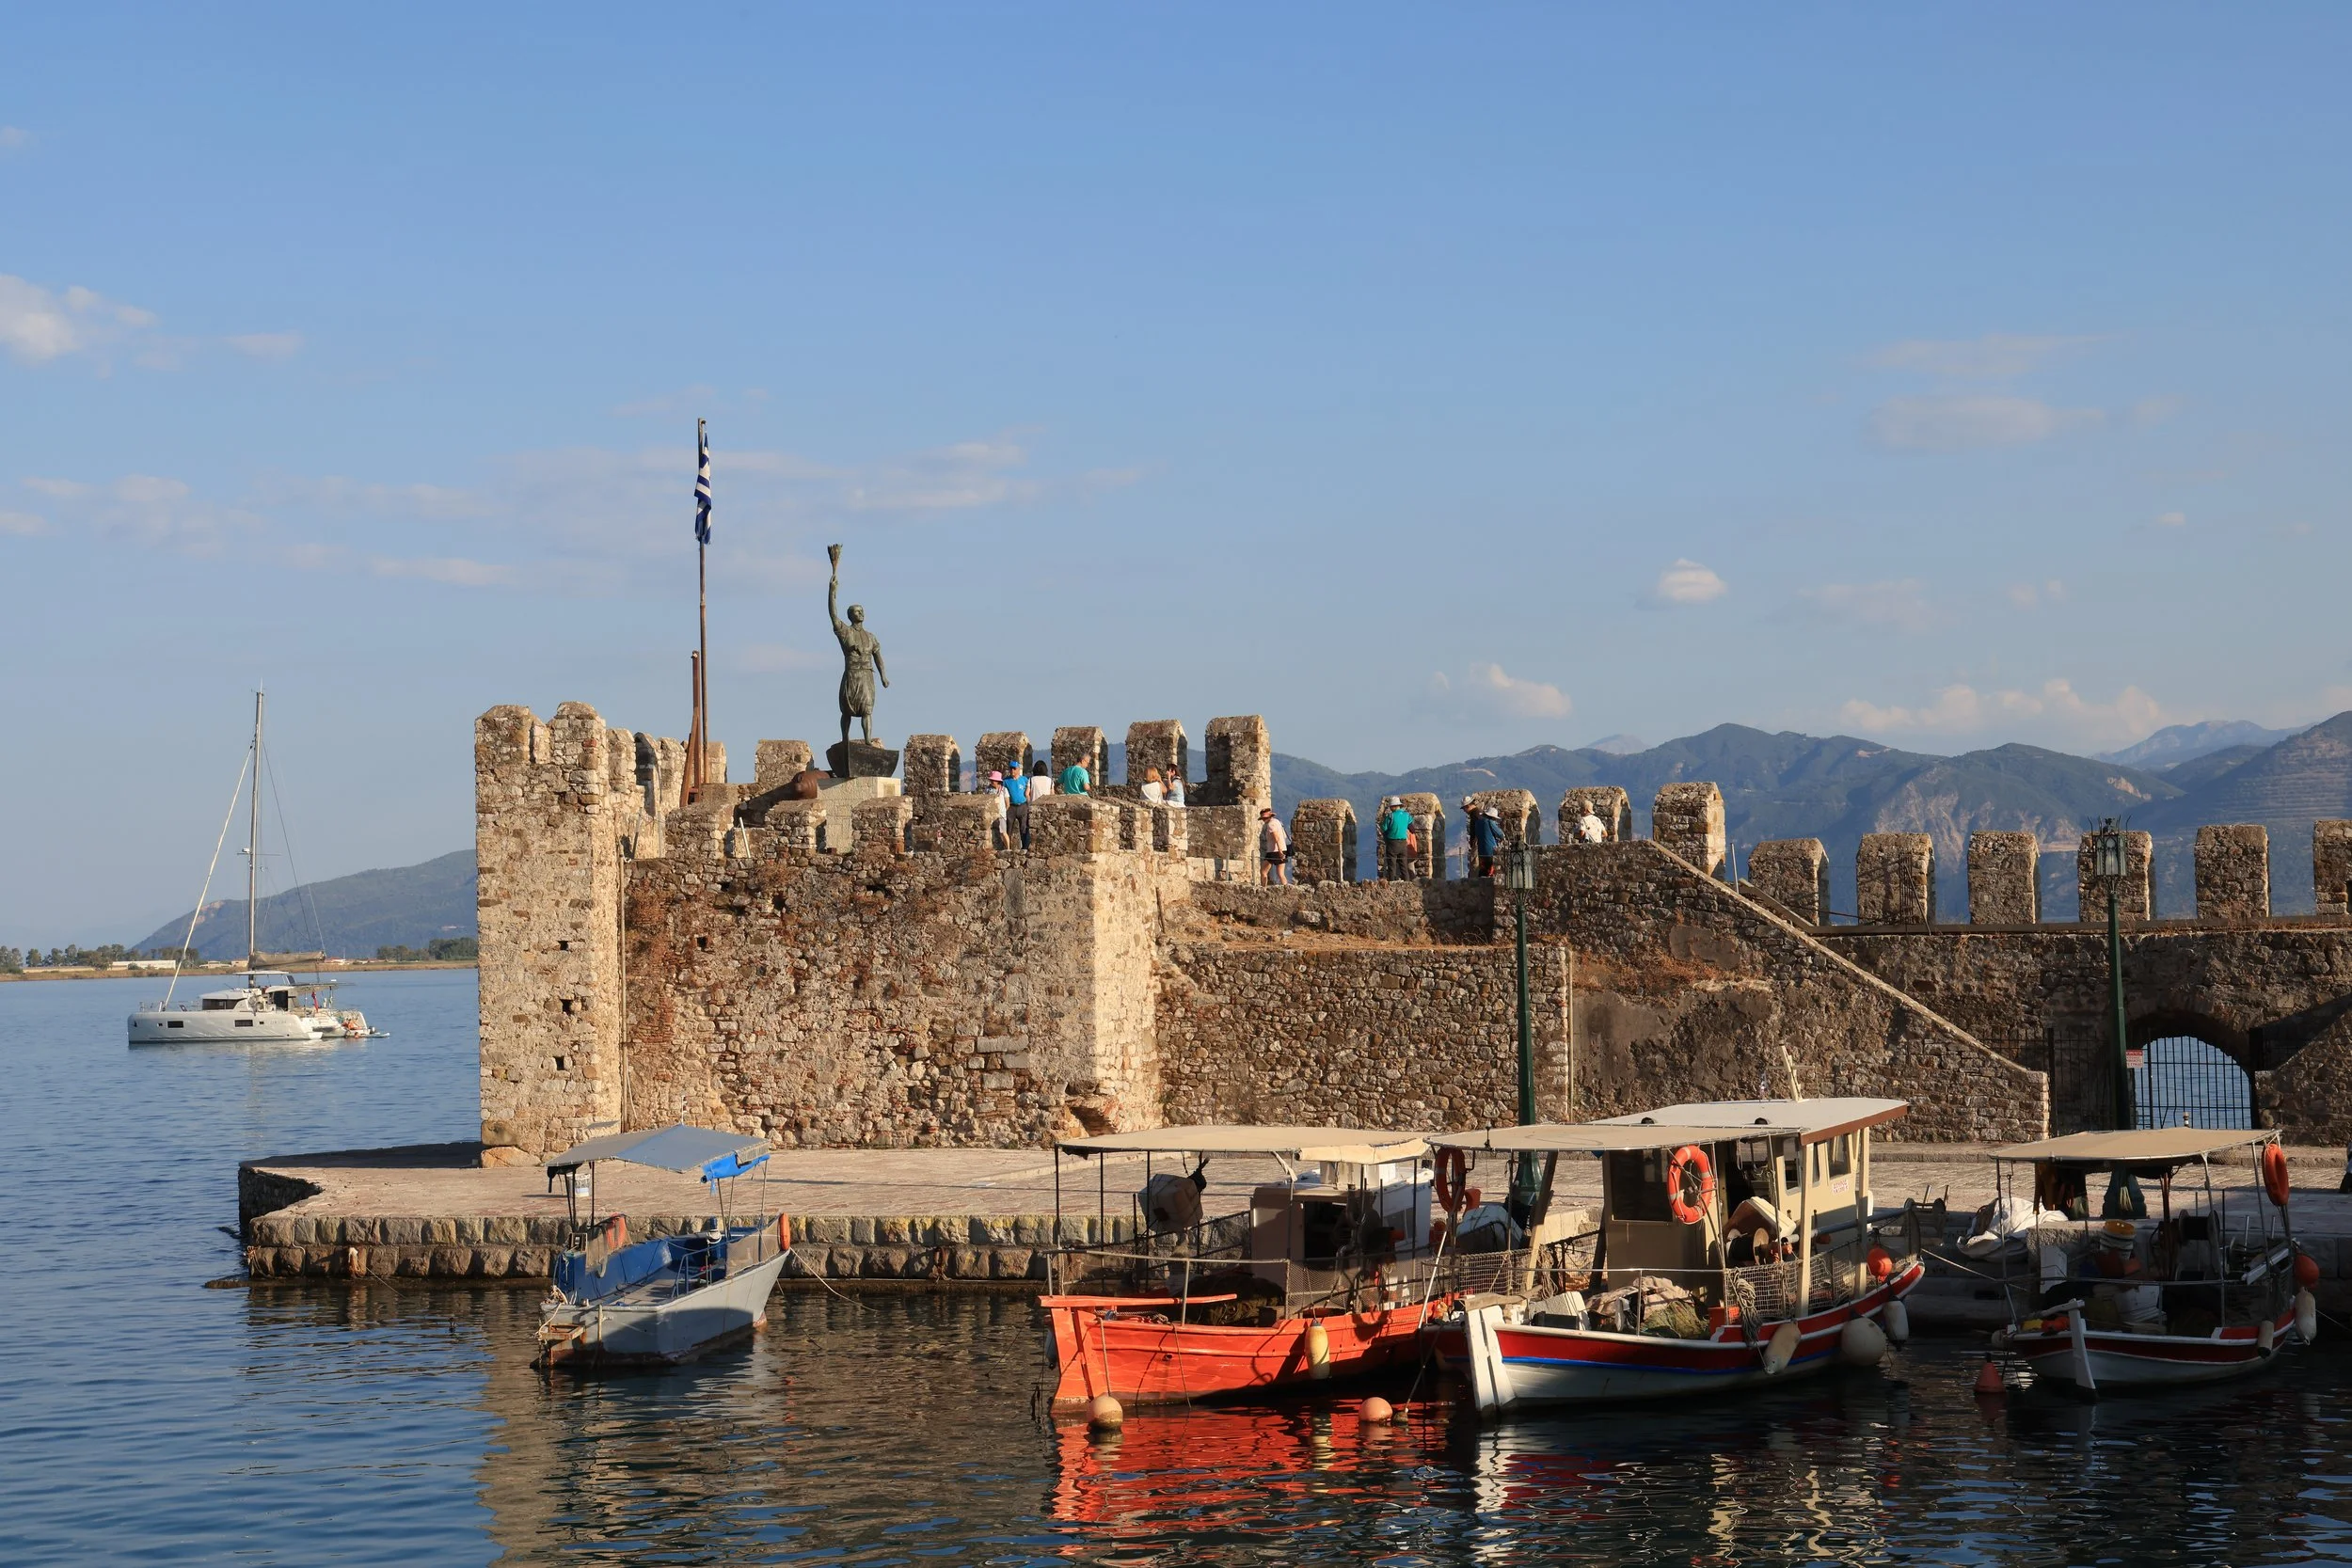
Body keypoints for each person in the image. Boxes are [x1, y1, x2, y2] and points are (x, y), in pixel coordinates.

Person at [1379, 797, 1416, 881]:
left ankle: (1392, 883)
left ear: (1393, 806)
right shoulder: (1407, 816)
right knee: (1404, 866)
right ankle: (1407, 883)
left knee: (1392, 866)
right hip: (1403, 843)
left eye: (1391, 807)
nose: (1390, 809)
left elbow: (1383, 828)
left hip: (1392, 843)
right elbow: (1412, 829)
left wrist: (1387, 836)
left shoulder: (1390, 816)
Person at [1467, 798, 1503, 877]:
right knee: (1491, 870)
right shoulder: (1490, 822)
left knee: (1483, 869)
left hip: (1481, 851)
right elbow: (1500, 834)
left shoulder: (1477, 822)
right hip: (1490, 850)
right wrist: (1502, 838)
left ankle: (1481, 882)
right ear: (1492, 817)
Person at [1259, 807, 1291, 885]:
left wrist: (1279, 850)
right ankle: (1286, 888)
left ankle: (1263, 888)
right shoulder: (1277, 822)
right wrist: (1281, 850)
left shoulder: (1270, 825)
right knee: (1281, 874)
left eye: (1264, 818)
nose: (1263, 820)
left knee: (1263, 871)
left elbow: (1276, 837)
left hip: (1274, 851)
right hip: (1283, 849)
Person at [983, 770, 1009, 849]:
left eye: (993, 780)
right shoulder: (987, 790)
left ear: (998, 781)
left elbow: (1007, 804)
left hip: (1001, 815)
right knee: (990, 832)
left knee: (1003, 832)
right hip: (990, 815)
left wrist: (1003, 812)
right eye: (991, 780)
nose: (992, 782)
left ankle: (1008, 848)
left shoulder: (1004, 790)